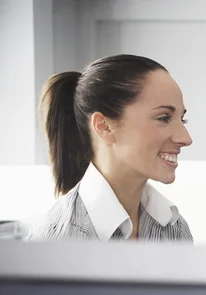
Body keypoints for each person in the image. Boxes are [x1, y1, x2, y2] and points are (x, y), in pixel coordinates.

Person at [25, 54, 193, 242]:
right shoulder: (57, 241)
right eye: (163, 118)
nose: (185, 138)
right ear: (103, 126)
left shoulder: (174, 229)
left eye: (182, 119)